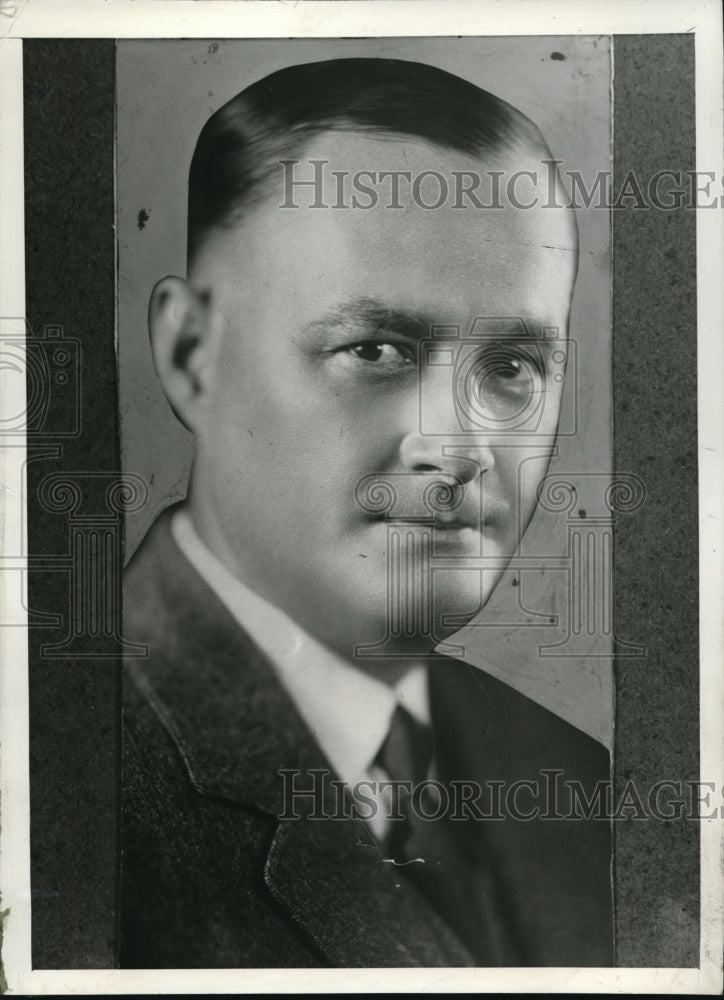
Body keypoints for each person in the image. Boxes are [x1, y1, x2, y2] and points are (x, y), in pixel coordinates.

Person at [120, 57, 612, 968]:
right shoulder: (67, 784)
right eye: (377, 348)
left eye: (511, 367)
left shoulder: (580, 784)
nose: (459, 446)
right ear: (193, 355)